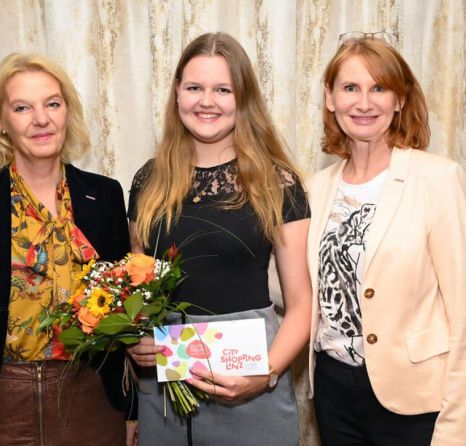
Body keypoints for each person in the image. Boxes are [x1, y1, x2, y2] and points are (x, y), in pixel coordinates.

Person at [0, 53, 136, 445]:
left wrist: (134, 409)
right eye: (22, 108)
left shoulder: (104, 196)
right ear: (1, 120)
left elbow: (125, 316)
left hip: (91, 402)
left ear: (67, 111)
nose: (41, 119)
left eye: (52, 103)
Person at [125, 32, 312, 445]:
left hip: (250, 388)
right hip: (165, 396)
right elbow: (138, 286)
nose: (206, 101)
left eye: (222, 90)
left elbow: (302, 305)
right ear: (177, 92)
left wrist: (264, 375)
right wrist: (134, 340)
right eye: (195, 88)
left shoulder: (277, 183)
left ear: (242, 98)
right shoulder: (148, 181)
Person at [306, 32, 466, 446]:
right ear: (330, 98)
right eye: (350, 88)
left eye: (379, 88)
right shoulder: (315, 188)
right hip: (332, 392)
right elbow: (299, 289)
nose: (364, 103)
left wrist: (455, 431)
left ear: (399, 99)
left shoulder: (438, 179)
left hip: (414, 398)